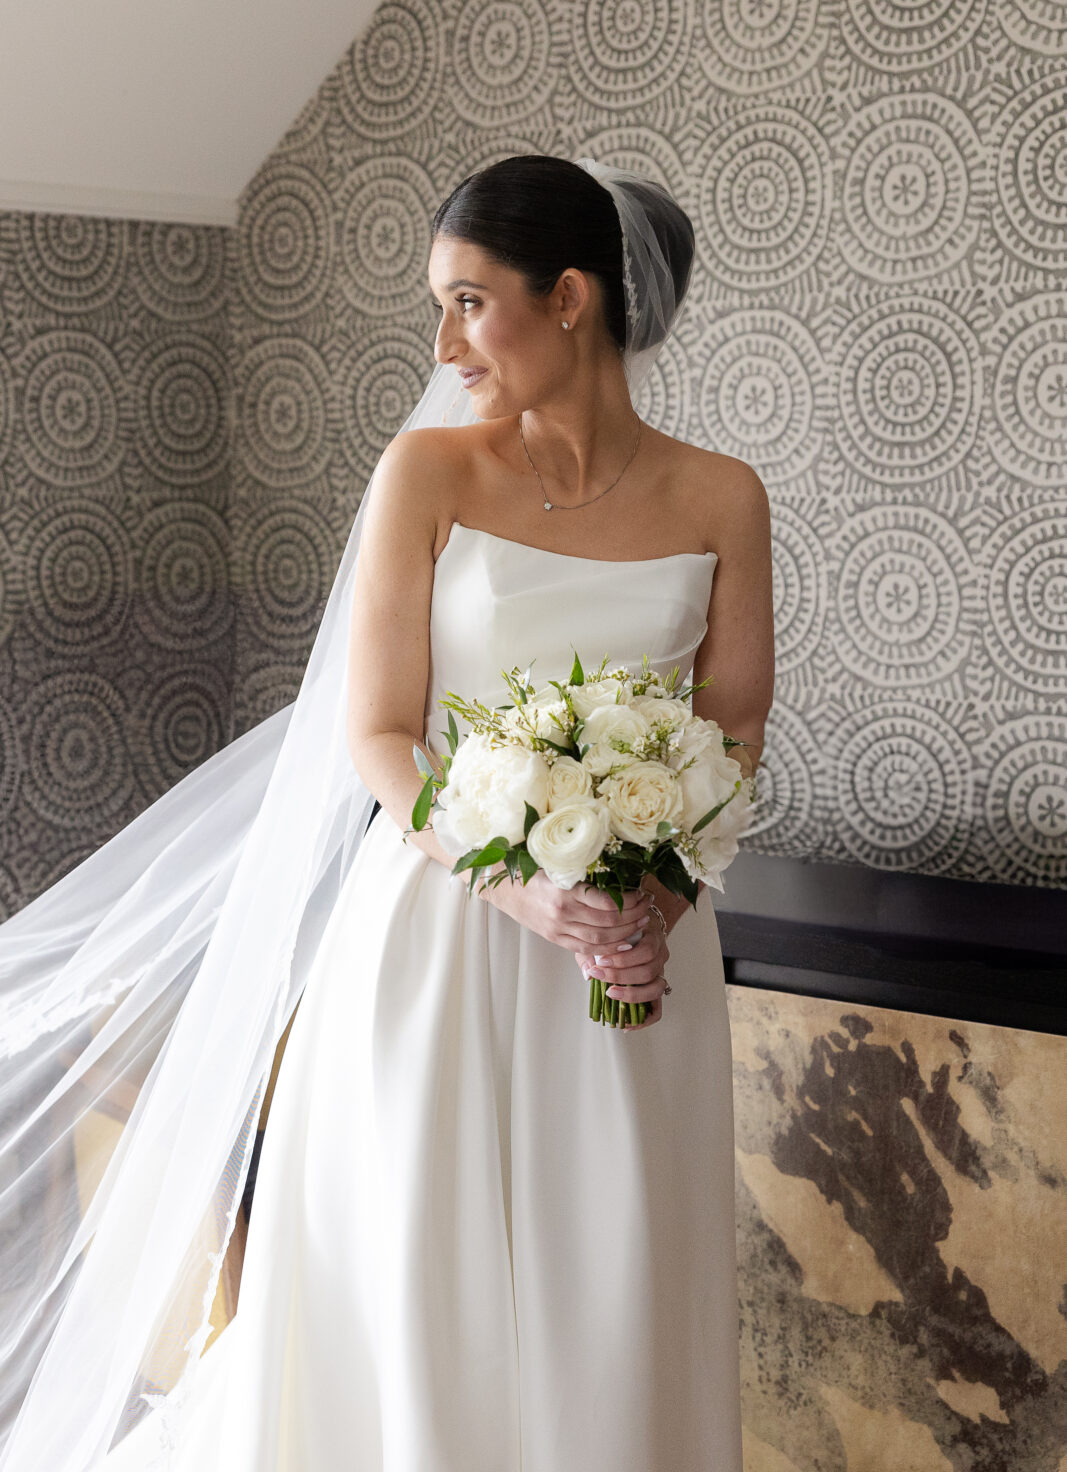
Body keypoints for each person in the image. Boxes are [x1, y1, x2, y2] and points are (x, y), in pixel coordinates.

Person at [0, 154, 774, 1470]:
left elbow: (734, 725)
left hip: (634, 960)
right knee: (419, 1275)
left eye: (470, 302)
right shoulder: (429, 475)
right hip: (440, 938)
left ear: (570, 296)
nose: (444, 341)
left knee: (618, 1269)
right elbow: (376, 734)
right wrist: (520, 879)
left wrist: (654, 891)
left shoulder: (720, 498)